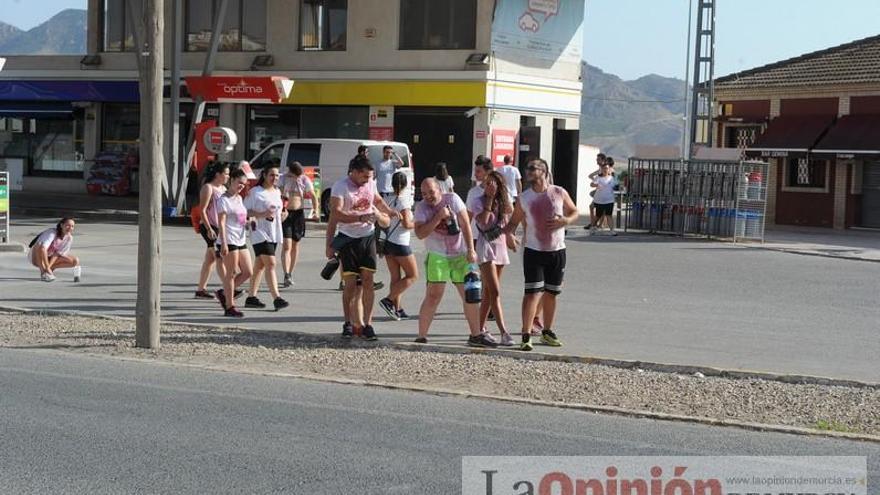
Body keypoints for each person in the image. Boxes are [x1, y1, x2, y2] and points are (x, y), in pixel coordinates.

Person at [506, 158, 579, 351]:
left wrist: (566, 221)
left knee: (552, 293)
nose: (528, 171)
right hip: (533, 251)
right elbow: (513, 222)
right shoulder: (524, 198)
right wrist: (509, 235)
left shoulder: (558, 192)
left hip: (557, 250)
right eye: (527, 168)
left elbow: (574, 211)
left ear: (544, 171)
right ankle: (526, 334)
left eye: (532, 168)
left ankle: (547, 331)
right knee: (532, 294)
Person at [414, 178, 496, 347]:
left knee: (470, 295)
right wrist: (438, 217)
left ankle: (476, 334)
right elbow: (420, 233)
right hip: (437, 255)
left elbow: (465, 223)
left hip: (460, 253)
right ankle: (421, 336)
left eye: (431, 192)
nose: (428, 196)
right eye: (424, 194)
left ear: (439, 190)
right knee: (433, 295)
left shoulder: (452, 198)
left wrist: (471, 250)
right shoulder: (421, 207)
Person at [325, 155, 396, 340]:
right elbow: (336, 214)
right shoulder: (340, 186)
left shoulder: (370, 183)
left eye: (370, 177)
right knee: (350, 285)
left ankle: (368, 324)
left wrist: (389, 211)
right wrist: (329, 244)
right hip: (348, 238)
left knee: (368, 281)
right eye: (365, 176)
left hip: (367, 237)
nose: (368, 180)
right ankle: (348, 322)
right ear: (354, 172)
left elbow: (378, 200)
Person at [468, 170, 516, 346]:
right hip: (485, 247)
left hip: (500, 246)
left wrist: (510, 236)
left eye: (492, 183)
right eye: (487, 183)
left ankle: (478, 330)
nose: (489, 186)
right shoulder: (478, 201)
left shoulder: (503, 201)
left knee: (489, 292)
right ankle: (504, 332)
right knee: (495, 291)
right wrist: (488, 200)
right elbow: (483, 220)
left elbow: (508, 218)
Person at [243, 164, 290, 311]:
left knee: (260, 265)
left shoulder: (277, 191)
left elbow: (280, 210)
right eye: (272, 175)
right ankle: (277, 298)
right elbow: (244, 211)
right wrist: (261, 215)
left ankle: (251, 297)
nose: (275, 178)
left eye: (277, 176)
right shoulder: (255, 192)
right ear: (264, 175)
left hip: (273, 232)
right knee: (271, 263)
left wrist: (284, 215)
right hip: (258, 231)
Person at [377, 171, 418, 321]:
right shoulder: (404, 201)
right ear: (406, 184)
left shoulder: (387, 199)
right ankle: (388, 300)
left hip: (388, 241)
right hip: (401, 243)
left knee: (395, 277)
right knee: (413, 275)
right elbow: (407, 224)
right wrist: (418, 225)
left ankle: (397, 308)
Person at [215, 168, 254, 317]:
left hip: (240, 238)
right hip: (228, 239)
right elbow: (222, 222)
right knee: (231, 274)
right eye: (239, 183)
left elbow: (240, 218)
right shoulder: (223, 199)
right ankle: (229, 306)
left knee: (248, 272)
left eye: (243, 184)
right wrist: (223, 243)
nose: (241, 186)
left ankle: (224, 293)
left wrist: (249, 223)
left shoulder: (238, 198)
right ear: (231, 180)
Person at [279, 161, 317, 288]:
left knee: (295, 244)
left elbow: (312, 195)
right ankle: (286, 274)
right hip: (286, 213)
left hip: (298, 214)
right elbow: (278, 194)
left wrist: (315, 211)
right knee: (287, 245)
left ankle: (291, 272)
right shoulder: (283, 178)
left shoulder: (304, 179)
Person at [194, 162, 229, 299]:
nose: (228, 176)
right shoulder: (208, 188)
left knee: (210, 260)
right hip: (209, 227)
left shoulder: (223, 188)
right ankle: (228, 287)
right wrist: (208, 229)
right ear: (217, 174)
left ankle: (200, 289)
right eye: (225, 173)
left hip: (218, 226)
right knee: (219, 257)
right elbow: (202, 210)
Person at [28, 217, 80, 282]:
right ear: (61, 225)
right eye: (67, 225)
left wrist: (48, 267)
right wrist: (47, 267)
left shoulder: (69, 238)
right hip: (36, 257)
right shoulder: (51, 232)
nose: (70, 228)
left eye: (72, 226)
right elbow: (43, 248)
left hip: (49, 257)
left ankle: (47, 271)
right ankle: (43, 272)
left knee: (75, 261)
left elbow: (57, 254)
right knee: (40, 245)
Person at [591, 158, 619, 236]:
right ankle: (593, 227)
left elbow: (616, 185)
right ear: (601, 169)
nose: (605, 170)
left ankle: (612, 230)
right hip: (599, 200)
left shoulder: (612, 178)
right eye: (604, 168)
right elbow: (592, 184)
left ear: (609, 169)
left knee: (609, 215)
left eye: (607, 168)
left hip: (609, 200)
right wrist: (596, 185)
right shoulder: (598, 178)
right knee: (598, 216)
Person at [585, 153, 606, 231]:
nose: (597, 161)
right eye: (597, 159)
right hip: (599, 192)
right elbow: (591, 175)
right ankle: (594, 223)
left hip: (603, 192)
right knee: (594, 207)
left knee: (601, 208)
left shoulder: (605, 169)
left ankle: (598, 224)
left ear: (603, 160)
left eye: (598, 159)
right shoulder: (600, 169)